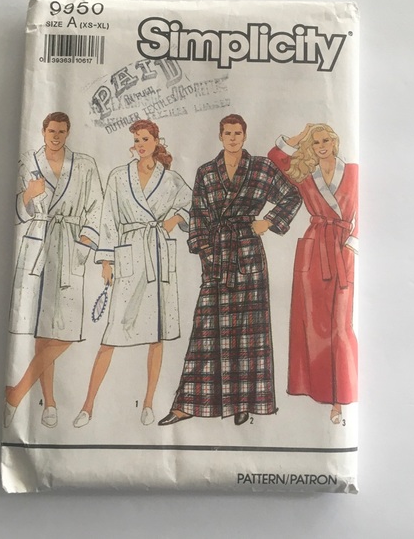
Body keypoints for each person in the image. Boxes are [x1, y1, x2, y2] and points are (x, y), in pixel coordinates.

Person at [159, 114, 302, 427]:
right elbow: (198, 214)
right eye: (228, 133)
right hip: (217, 254)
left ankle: (244, 403)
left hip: (248, 253)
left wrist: (269, 222)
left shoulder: (262, 167)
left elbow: (292, 196)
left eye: (238, 133)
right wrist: (205, 252)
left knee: (250, 332)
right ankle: (187, 405)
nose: (233, 138)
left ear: (245, 135)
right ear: (220, 136)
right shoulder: (206, 171)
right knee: (206, 330)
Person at [73, 119, 191, 428]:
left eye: (145, 139)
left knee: (157, 335)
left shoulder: (171, 179)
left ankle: (149, 403)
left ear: (156, 141)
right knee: (111, 335)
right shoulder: (118, 176)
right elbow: (108, 218)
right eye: (136, 140)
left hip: (157, 256)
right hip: (129, 255)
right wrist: (107, 261)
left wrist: (176, 218)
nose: (140, 145)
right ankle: (87, 405)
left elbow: (194, 204)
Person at [5, 112, 103, 428]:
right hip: (38, 246)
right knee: (43, 331)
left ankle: (16, 393)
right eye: (51, 131)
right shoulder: (27, 162)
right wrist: (28, 195)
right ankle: (49, 403)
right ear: (43, 131)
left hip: (70, 248)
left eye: (62, 131)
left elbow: (97, 207)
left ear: (68, 132)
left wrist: (85, 243)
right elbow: (11, 212)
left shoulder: (84, 165)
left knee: (66, 332)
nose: (56, 136)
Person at [268, 123, 358, 425]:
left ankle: (340, 398)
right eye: (315, 141)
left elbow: (368, 208)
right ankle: (320, 395)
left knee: (340, 325)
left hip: (343, 250)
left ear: (335, 141)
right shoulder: (305, 173)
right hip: (314, 249)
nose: (321, 146)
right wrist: (301, 135)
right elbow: (276, 155)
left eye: (325, 140)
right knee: (312, 323)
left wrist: (355, 241)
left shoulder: (354, 172)